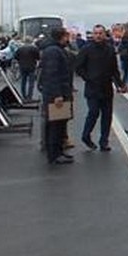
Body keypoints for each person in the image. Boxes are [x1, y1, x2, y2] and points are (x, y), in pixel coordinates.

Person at [74, 24, 125, 151]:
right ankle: (86, 135)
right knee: (93, 112)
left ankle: (104, 141)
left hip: (106, 87)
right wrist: (88, 78)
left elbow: (114, 69)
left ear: (104, 34)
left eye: (100, 33)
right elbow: (78, 67)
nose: (98, 35)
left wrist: (120, 84)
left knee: (107, 116)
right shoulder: (86, 49)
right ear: (93, 34)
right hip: (92, 87)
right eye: (96, 33)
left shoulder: (109, 49)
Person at [40, 27, 74, 165]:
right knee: (56, 125)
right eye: (67, 36)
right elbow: (52, 74)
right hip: (56, 95)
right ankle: (54, 154)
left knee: (58, 124)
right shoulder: (54, 51)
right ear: (62, 36)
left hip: (57, 92)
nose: (69, 39)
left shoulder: (53, 50)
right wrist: (58, 95)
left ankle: (58, 151)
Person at [14, 37, 41, 101]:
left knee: (23, 81)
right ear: (31, 41)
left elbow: (16, 57)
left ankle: (23, 95)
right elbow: (38, 57)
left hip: (22, 67)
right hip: (32, 66)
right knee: (31, 83)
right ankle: (29, 96)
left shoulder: (20, 49)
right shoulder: (34, 48)